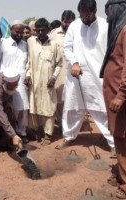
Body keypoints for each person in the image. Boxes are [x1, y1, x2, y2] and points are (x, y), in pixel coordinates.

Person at [55, 0, 115, 158]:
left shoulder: (106, 25)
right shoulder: (74, 26)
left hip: (98, 75)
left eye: (87, 15)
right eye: (81, 15)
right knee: (72, 107)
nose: (84, 18)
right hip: (76, 74)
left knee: (101, 108)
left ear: (95, 11)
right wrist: (74, 62)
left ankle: (113, 143)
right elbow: (66, 47)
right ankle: (69, 137)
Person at [100, 0, 126, 198]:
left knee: (122, 138)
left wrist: (121, 94)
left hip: (121, 99)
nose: (107, 17)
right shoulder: (119, 30)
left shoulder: (125, 31)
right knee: (119, 137)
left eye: (108, 12)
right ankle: (121, 173)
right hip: (115, 97)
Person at [24, 18, 62, 145]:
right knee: (33, 107)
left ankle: (48, 134)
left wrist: (53, 78)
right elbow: (28, 62)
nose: (40, 32)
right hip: (34, 81)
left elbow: (59, 64)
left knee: (49, 107)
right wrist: (28, 75)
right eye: (38, 30)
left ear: (48, 30)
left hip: (48, 82)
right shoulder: (30, 42)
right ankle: (35, 132)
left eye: (43, 30)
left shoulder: (54, 45)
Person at [0, 20, 29, 143]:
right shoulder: (3, 43)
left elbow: (28, 63)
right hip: (5, 81)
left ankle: (21, 131)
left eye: (21, 32)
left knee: (22, 108)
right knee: (8, 108)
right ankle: (9, 134)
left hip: (21, 81)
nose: (19, 34)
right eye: (16, 31)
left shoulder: (25, 45)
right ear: (11, 29)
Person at [49, 10, 75, 126]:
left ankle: (71, 122)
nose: (67, 25)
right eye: (65, 22)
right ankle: (60, 121)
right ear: (61, 21)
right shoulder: (53, 34)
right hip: (59, 71)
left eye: (70, 22)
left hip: (73, 70)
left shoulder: (77, 33)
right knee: (59, 98)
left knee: (72, 98)